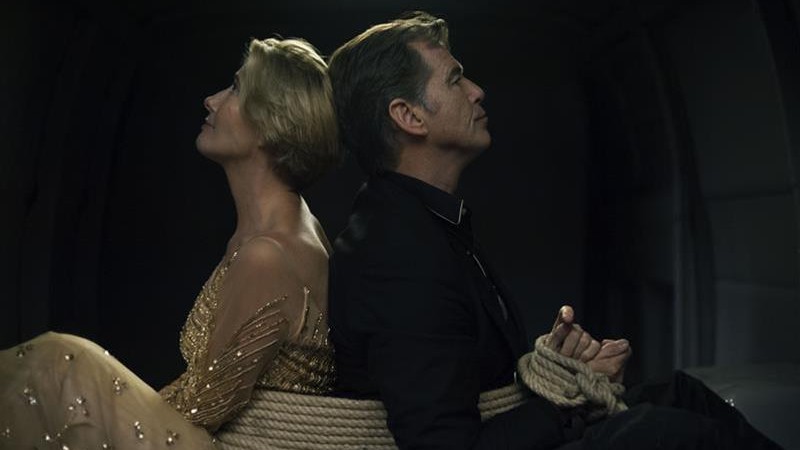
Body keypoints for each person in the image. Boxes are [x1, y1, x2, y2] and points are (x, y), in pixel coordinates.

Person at [327, 11, 782, 449]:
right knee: (669, 433)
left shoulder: (425, 220)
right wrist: (573, 397)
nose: (477, 91)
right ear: (409, 116)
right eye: (454, 79)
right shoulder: (398, 257)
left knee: (681, 394)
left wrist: (566, 373)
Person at [0, 36, 341, 449]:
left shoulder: (268, 253)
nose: (211, 101)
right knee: (58, 375)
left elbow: (203, 407)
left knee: (61, 363)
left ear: (272, 123)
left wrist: (101, 402)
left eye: (235, 89)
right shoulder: (284, 227)